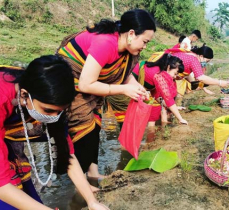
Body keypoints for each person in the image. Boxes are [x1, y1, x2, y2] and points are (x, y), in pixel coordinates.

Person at [0, 55, 108, 209]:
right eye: (48, 110)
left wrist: (91, 201)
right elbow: (1, 186)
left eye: (59, 112)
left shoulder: (42, 98)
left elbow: (67, 152)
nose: (54, 117)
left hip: (7, 114)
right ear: (24, 95)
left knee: (20, 170)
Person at [56, 9, 156, 180]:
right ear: (131, 33)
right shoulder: (106, 43)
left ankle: (93, 174)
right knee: (83, 128)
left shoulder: (125, 49)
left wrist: (139, 88)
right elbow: (86, 84)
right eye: (144, 41)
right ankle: (80, 183)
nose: (144, 47)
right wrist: (124, 90)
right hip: (72, 81)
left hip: (91, 84)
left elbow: (124, 74)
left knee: (95, 126)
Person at [132, 54, 187, 129]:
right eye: (175, 73)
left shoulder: (158, 71)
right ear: (168, 67)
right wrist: (180, 119)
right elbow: (168, 99)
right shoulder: (159, 75)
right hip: (125, 85)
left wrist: (174, 108)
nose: (175, 77)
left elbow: (157, 96)